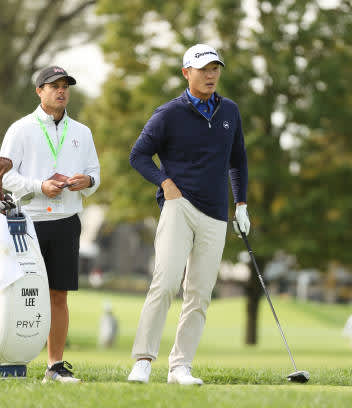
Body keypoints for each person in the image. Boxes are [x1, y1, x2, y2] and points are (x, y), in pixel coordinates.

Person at [127, 44, 250, 385]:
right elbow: (138, 156)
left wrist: (241, 204)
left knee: (199, 293)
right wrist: (163, 181)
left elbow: (237, 160)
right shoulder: (168, 114)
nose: (211, 75)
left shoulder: (230, 112)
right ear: (186, 73)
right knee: (165, 283)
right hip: (179, 205)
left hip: (215, 213)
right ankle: (143, 360)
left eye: (215, 69)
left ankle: (180, 367)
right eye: (203, 69)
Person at [0, 65, 100, 383]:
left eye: (65, 86)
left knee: (59, 295)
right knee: (18, 292)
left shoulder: (82, 133)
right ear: (39, 91)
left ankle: (55, 366)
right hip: (29, 223)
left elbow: (95, 176)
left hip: (67, 221)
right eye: (54, 85)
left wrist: (87, 181)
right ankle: (4, 358)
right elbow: (3, 176)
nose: (61, 91)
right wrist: (38, 186)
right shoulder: (20, 129)